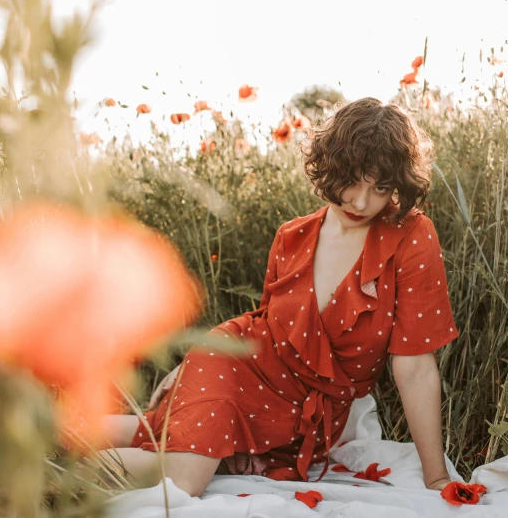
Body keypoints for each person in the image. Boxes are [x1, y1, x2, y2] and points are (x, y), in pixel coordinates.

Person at [98, 97, 460, 497]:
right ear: (330, 167)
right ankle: (43, 474)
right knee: (184, 477)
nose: (360, 201)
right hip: (235, 368)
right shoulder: (292, 236)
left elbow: (414, 369)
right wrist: (191, 365)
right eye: (352, 179)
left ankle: (36, 445)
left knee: (156, 432)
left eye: (380, 188)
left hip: (297, 421)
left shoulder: (410, 236)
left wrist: (436, 477)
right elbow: (266, 323)